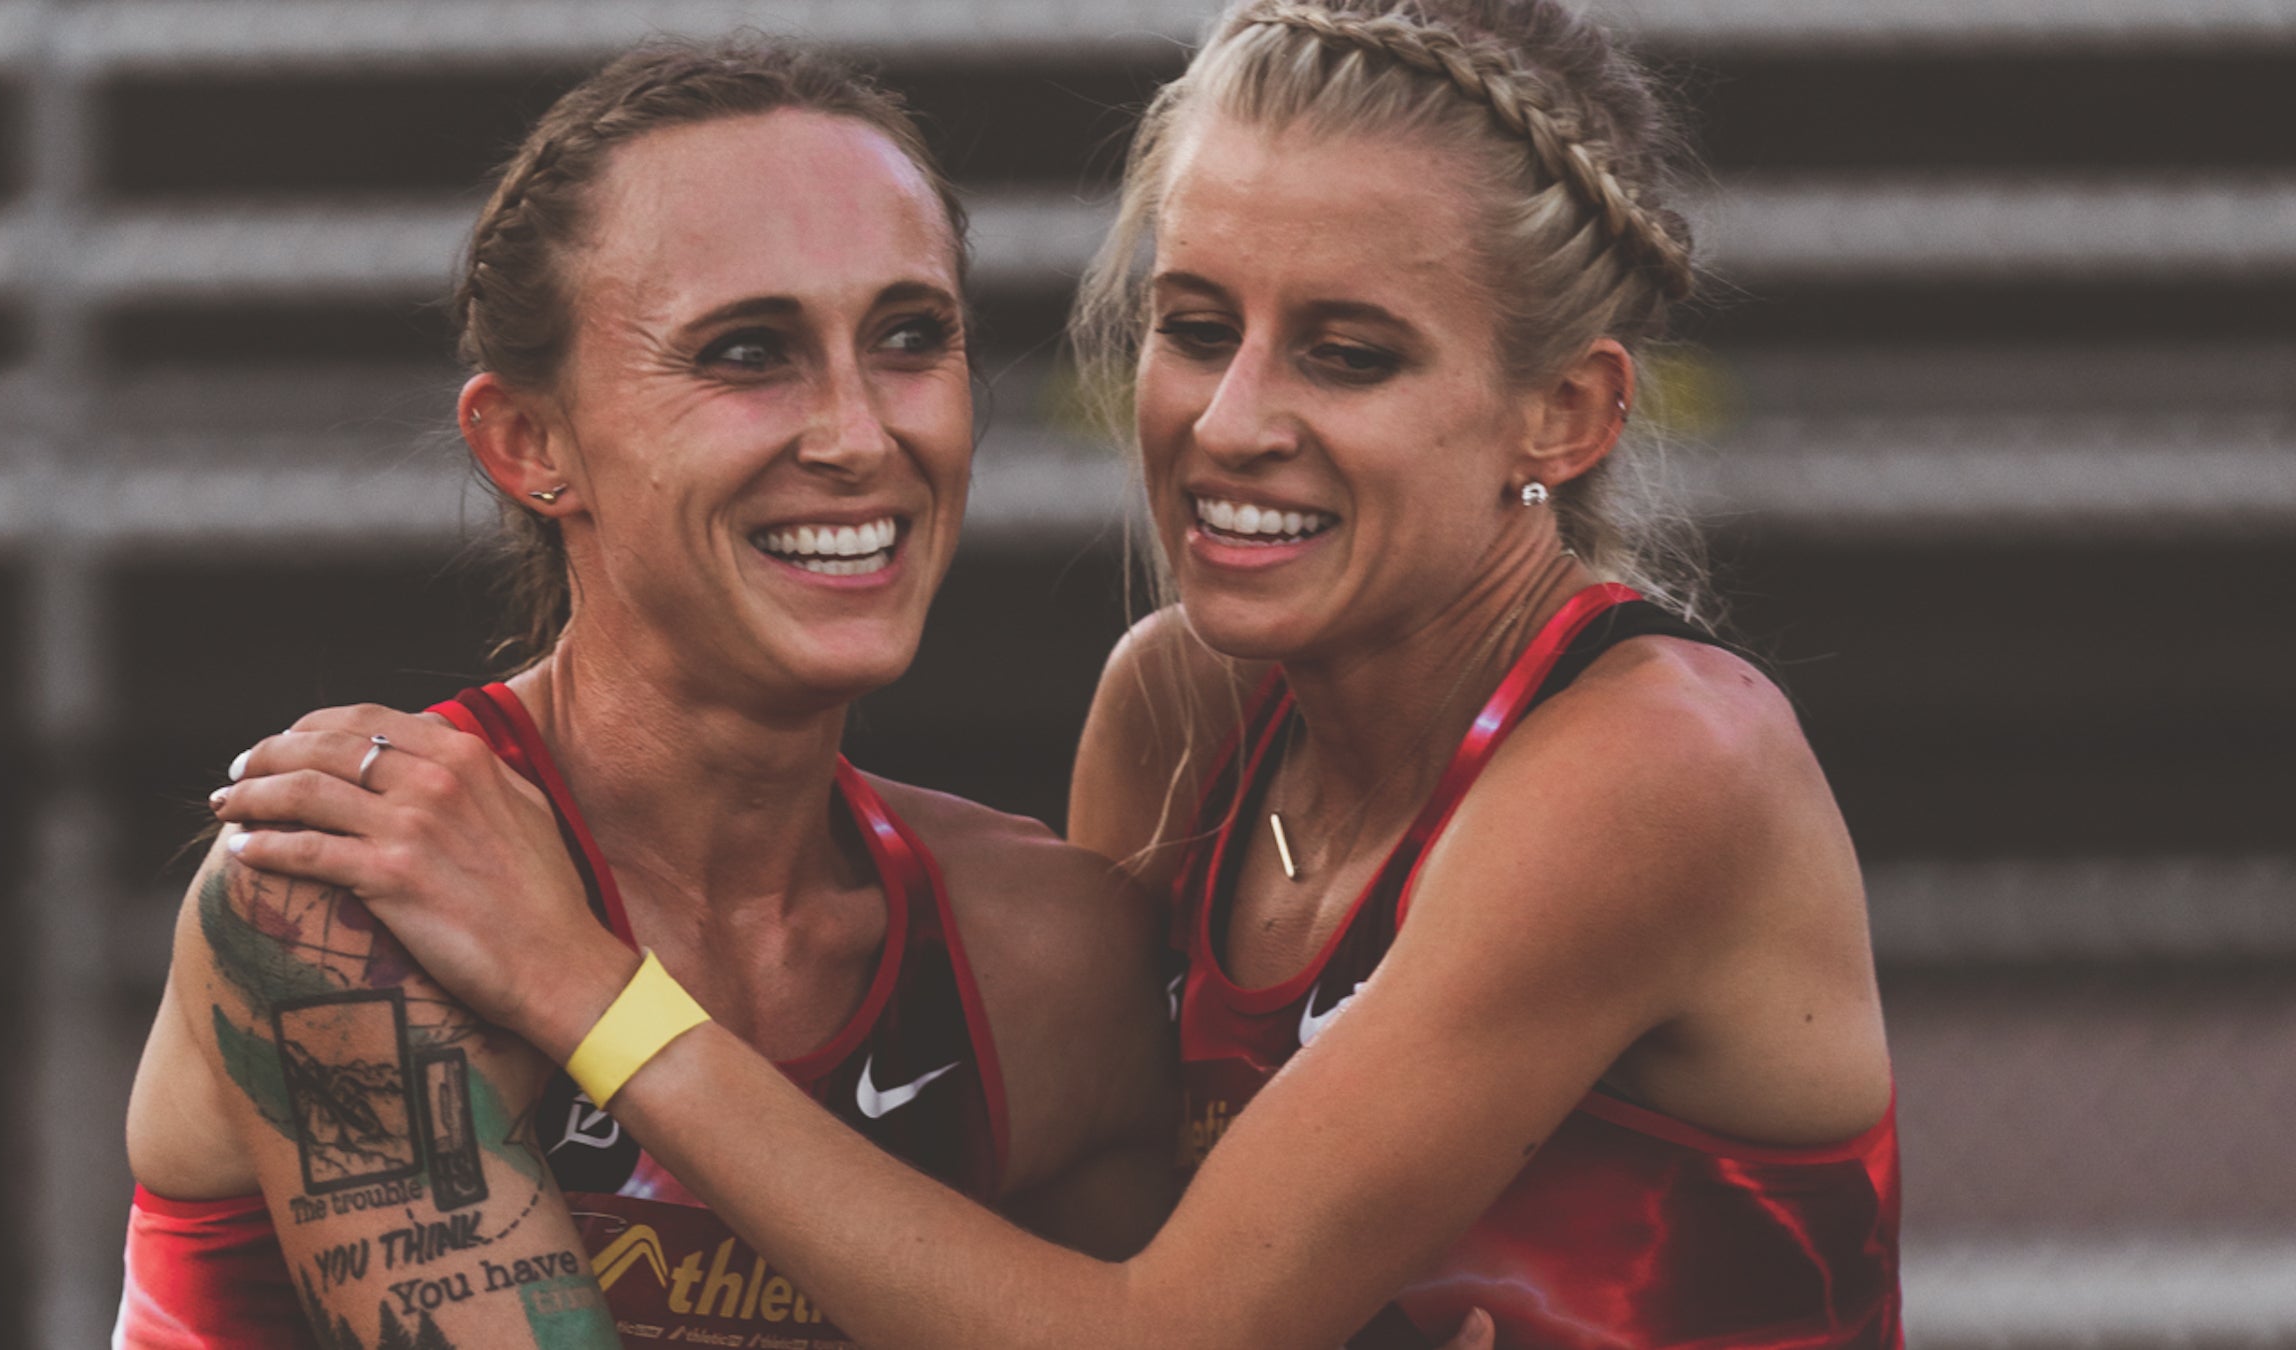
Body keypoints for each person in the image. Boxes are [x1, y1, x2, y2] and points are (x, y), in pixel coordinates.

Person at [218, 1, 1902, 1346]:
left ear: (1571, 414)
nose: (1231, 418)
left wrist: (594, 994)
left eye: (1349, 352)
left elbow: (1153, 1326)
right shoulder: (1191, 713)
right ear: (527, 444)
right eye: (1190, 323)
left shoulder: (1656, 767)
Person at [117, 41, 1178, 1350]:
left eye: (911, 337)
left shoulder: (1048, 961)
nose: (859, 435)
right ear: (531, 444)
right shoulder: (350, 889)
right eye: (747, 351)